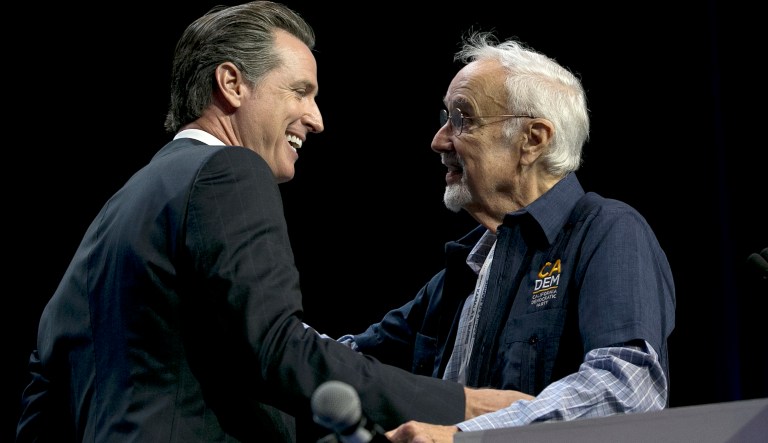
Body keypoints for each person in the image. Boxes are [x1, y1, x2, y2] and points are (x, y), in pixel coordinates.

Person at [14, 4, 523, 442]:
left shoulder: (121, 207)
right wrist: (466, 407)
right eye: (300, 91)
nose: (317, 118)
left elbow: (45, 383)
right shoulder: (227, 172)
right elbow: (278, 349)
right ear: (232, 84)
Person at [338, 31, 676, 443]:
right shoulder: (464, 272)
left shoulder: (606, 230)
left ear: (533, 139)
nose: (439, 140)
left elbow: (626, 389)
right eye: (444, 118)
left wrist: (462, 434)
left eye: (462, 119)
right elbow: (350, 362)